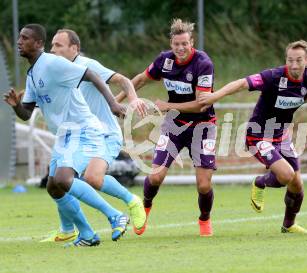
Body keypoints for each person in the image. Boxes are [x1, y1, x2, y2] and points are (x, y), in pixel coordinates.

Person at [198, 40, 307, 233]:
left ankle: (288, 225)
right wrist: (214, 96)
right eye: (290, 60)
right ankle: (260, 182)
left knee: (297, 185)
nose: (294, 65)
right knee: (286, 175)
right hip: (258, 137)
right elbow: (242, 83)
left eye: (299, 60)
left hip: (281, 136)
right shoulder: (273, 76)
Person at [4, 24, 127, 246]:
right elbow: (27, 113)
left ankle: (114, 214)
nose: (19, 41)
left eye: (25, 38)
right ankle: (87, 235)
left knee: (63, 179)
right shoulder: (32, 74)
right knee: (54, 187)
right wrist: (16, 106)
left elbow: (91, 74)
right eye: (19, 37)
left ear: (39, 44)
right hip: (65, 135)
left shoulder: (52, 63)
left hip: (83, 129)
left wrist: (113, 103)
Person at [38, 28, 147, 242]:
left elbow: (123, 80)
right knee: (55, 183)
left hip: (104, 134)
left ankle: (132, 201)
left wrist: (132, 98)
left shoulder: (87, 65)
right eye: (52, 45)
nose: (53, 50)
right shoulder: (54, 70)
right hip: (75, 136)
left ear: (74, 49)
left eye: (58, 45)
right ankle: (68, 229)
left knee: (92, 178)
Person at [116, 18, 217, 236]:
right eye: (176, 44)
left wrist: (166, 105)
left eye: (185, 44)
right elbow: (141, 79)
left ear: (192, 43)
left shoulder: (203, 63)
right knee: (155, 176)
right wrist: (118, 99)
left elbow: (202, 104)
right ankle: (144, 209)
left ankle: (204, 220)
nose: (180, 49)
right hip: (174, 126)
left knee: (203, 185)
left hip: (203, 126)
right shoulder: (165, 60)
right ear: (171, 43)